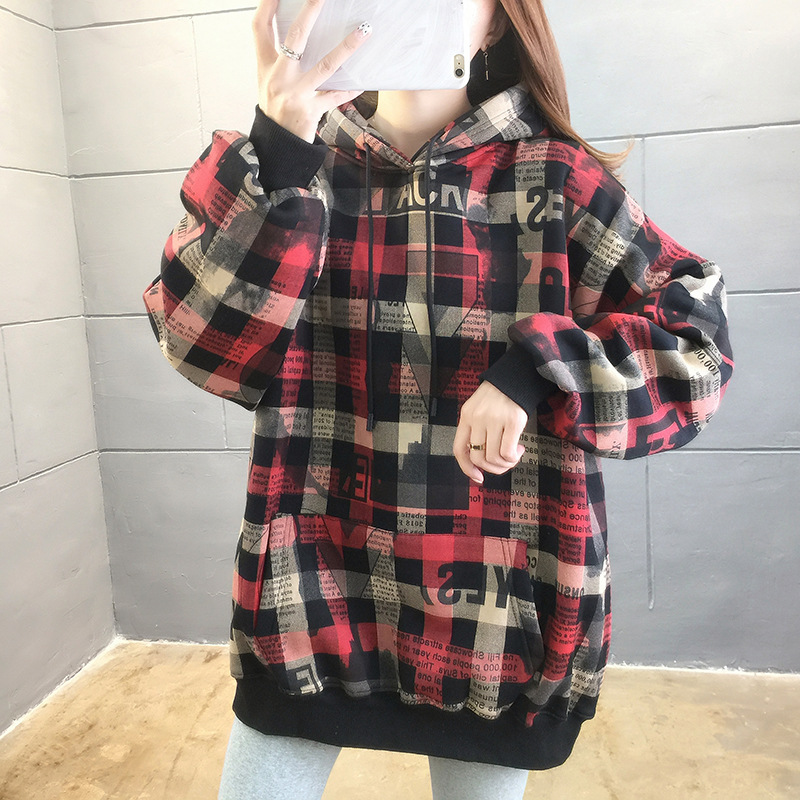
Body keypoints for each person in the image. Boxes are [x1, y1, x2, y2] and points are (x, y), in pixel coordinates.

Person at [143, 0, 734, 797]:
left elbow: (696, 341)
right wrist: (278, 149)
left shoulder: (555, 178)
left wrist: (539, 369)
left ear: (497, 23)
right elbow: (202, 345)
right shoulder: (290, 166)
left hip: (497, 628)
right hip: (309, 601)